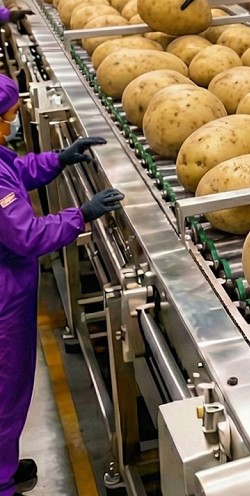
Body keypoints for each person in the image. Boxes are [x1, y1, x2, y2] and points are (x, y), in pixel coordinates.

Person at [0, 75, 123, 496]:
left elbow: (15, 170)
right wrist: (81, 215)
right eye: (11, 116)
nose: (14, 123)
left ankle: (5, 464)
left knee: (12, 387)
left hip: (10, 288)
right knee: (5, 389)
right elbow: (27, 235)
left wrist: (60, 158)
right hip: (3, 298)